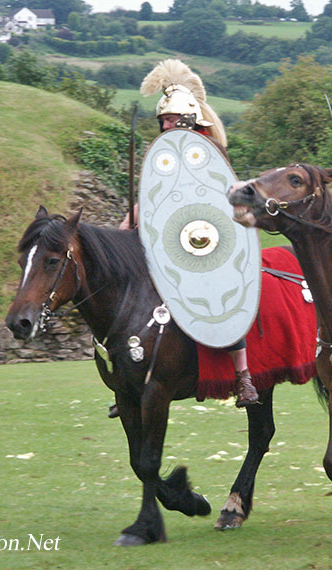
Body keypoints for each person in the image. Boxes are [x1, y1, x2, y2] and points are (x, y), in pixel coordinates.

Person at [111, 60, 259, 417]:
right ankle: (128, 380)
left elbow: (222, 198)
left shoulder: (210, 153)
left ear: (188, 121)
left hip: (205, 241)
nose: (164, 125)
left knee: (222, 293)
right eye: (162, 120)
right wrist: (127, 223)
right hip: (164, 241)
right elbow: (151, 197)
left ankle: (242, 375)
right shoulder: (162, 156)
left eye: (170, 120)